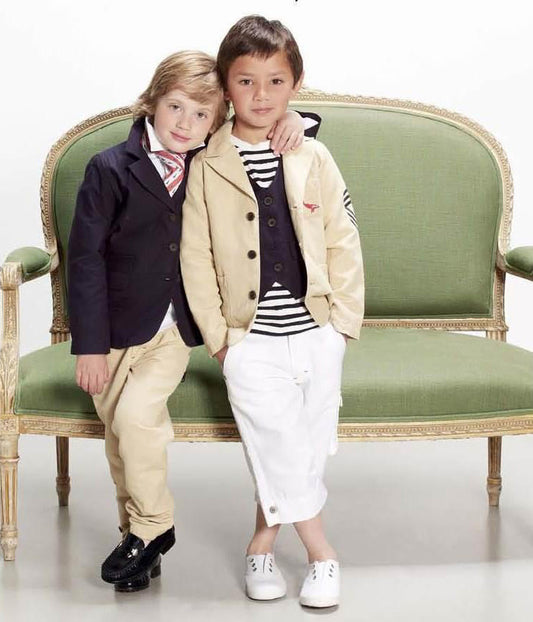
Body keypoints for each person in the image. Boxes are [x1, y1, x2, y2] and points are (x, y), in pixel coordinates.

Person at [68, 50, 311, 592]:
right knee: (120, 441)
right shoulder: (110, 168)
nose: (185, 123)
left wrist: (295, 118)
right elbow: (85, 260)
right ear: (153, 102)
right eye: (175, 107)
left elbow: (268, 123)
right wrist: (89, 346)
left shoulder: (212, 162)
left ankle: (155, 527)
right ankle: (137, 542)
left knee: (137, 419)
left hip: (174, 330)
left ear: (218, 119)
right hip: (114, 329)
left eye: (202, 115)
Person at [180, 16, 365, 609]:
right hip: (248, 338)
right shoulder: (206, 163)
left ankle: (261, 543)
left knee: (301, 444)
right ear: (225, 87)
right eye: (246, 82)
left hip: (316, 329)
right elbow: (195, 257)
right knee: (279, 439)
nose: (261, 96)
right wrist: (220, 340)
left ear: (296, 84)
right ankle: (322, 554)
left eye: (276, 82)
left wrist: (343, 325)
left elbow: (343, 238)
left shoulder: (313, 154)